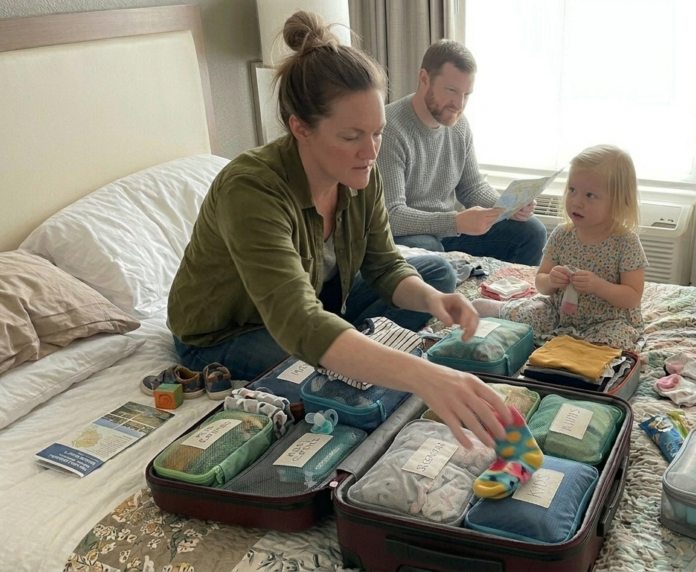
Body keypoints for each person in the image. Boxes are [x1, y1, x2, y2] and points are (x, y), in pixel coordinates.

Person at [166, 12, 507, 448]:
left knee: (436, 274)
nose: (370, 151)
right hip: (229, 332)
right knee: (325, 369)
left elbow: (385, 265)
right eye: (351, 136)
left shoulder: (361, 171)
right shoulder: (250, 189)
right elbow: (298, 320)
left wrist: (433, 301)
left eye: (378, 133)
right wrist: (424, 376)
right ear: (300, 128)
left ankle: (350, 344)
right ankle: (350, 347)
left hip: (321, 301)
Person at [376, 39, 547, 266]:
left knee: (532, 231)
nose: (459, 104)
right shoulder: (389, 130)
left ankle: (507, 288)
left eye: (466, 94)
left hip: (448, 231)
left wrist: (507, 208)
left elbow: (472, 187)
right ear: (424, 79)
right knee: (430, 249)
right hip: (408, 235)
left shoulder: (459, 125)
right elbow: (392, 215)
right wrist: (455, 222)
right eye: (452, 91)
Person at [473, 145, 648, 351]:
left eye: (590, 195)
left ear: (618, 201)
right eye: (572, 190)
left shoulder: (626, 242)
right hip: (559, 313)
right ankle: (501, 310)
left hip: (607, 321)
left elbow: (632, 296)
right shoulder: (562, 234)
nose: (577, 202)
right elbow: (541, 283)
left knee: (614, 342)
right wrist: (551, 280)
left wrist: (598, 286)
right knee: (535, 311)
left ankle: (574, 354)